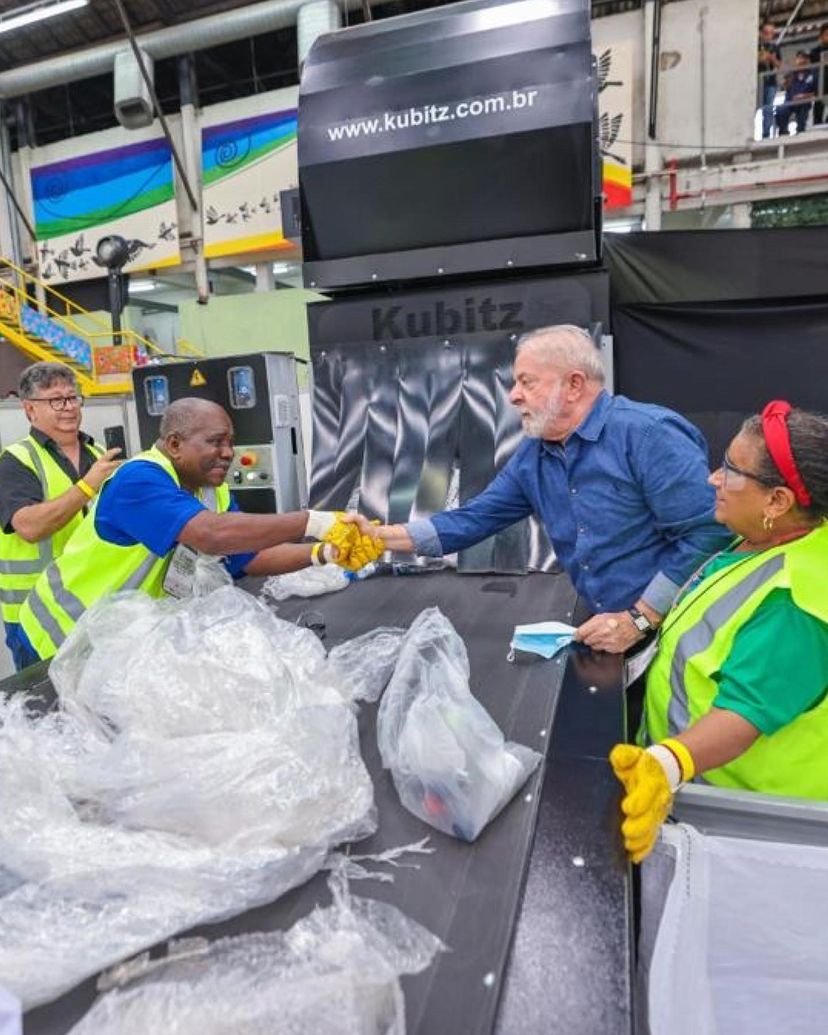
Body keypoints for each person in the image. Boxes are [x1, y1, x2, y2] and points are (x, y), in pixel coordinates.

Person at [353, 325, 730, 654]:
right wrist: (378, 537)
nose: (513, 395)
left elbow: (709, 533)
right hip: (610, 629)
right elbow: (474, 519)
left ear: (574, 385)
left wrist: (642, 618)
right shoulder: (535, 456)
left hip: (681, 628)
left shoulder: (648, 435)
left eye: (526, 382)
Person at [611, 402, 828, 863]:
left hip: (748, 831)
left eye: (731, 471)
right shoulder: (770, 536)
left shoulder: (798, 602)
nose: (713, 478)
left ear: (777, 501)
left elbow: (744, 713)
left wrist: (667, 764)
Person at [16, 397, 383, 667]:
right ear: (175, 444)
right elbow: (210, 535)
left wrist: (324, 554)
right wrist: (315, 523)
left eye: (230, 442)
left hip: (119, 638)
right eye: (215, 441)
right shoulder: (138, 479)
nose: (229, 453)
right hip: (59, 638)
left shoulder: (211, 490)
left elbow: (248, 557)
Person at [0, 362, 122, 670]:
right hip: (35, 617)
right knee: (47, 710)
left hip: (95, 606)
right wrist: (86, 486)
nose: (68, 407)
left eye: (72, 397)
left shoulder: (100, 456)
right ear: (30, 410)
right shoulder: (16, 461)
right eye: (56, 400)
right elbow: (28, 526)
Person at [776, 51, 817, 135]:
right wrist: (789, 78)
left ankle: (800, 133)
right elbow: (784, 86)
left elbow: (816, 92)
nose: (802, 60)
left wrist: (803, 96)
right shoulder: (792, 72)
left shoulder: (813, 73)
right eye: (800, 58)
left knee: (801, 120)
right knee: (780, 110)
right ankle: (783, 132)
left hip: (804, 102)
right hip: (790, 101)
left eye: (804, 58)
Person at [758, 21, 782, 138]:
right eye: (766, 33)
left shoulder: (775, 47)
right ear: (761, 33)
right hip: (756, 83)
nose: (769, 36)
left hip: (770, 82)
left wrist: (771, 59)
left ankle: (766, 134)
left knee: (768, 108)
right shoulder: (755, 46)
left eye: (771, 33)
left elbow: (779, 65)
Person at [809, 23, 828, 124]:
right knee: (818, 109)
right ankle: (817, 125)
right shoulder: (815, 51)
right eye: (826, 34)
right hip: (821, 84)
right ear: (821, 36)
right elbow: (813, 62)